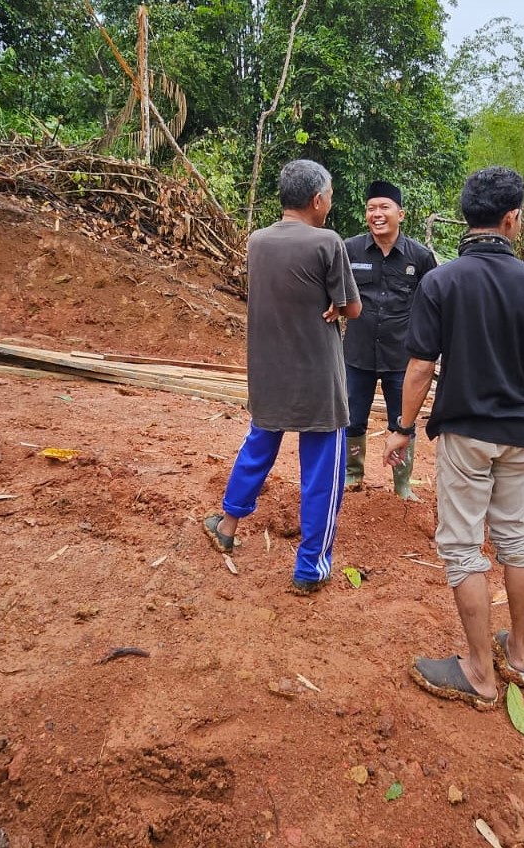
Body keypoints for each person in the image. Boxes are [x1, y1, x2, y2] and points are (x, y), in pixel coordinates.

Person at [385, 166, 524, 708]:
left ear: (468, 218)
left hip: (465, 432)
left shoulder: (441, 281)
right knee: (516, 541)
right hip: (521, 434)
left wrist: (401, 428)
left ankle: (479, 673)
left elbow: (420, 367)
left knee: (463, 547)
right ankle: (519, 658)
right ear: (513, 219)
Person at [201, 160, 361, 594]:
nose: (330, 202)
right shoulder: (328, 242)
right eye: (329, 194)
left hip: (269, 371)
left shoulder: (257, 240)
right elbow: (352, 308)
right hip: (317, 378)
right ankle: (311, 567)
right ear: (317, 200)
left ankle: (228, 524)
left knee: (258, 447)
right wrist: (334, 304)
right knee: (322, 471)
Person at [342, 180, 438, 500]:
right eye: (371, 208)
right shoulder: (349, 249)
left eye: (384, 208)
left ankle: (402, 484)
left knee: (403, 421)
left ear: (401, 213)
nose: (377, 214)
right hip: (357, 353)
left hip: (402, 358)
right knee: (353, 417)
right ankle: (352, 474)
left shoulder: (421, 257)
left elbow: (433, 305)